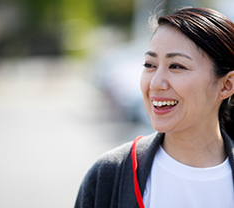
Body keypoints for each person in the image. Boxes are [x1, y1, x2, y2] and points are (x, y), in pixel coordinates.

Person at [75, 7, 234, 208]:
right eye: (150, 65)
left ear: (227, 85)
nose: (155, 83)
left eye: (177, 66)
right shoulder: (109, 175)